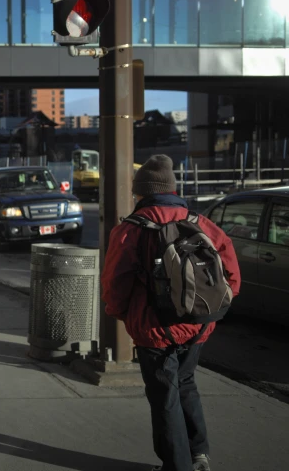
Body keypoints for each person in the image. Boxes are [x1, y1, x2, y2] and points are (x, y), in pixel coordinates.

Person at [101, 154, 241, 471]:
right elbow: (231, 274)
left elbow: (115, 283)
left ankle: (177, 466)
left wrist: (121, 313)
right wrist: (210, 308)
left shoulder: (130, 229)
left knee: (165, 396)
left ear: (142, 192)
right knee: (187, 382)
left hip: (155, 329)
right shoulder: (201, 222)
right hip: (199, 325)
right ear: (172, 189)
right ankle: (198, 453)